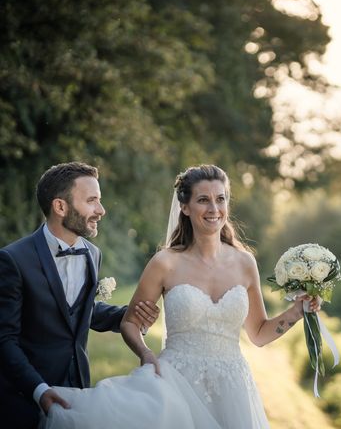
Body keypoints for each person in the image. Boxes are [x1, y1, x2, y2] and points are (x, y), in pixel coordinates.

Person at [42, 164, 320, 429]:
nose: (214, 209)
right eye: (203, 200)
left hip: (233, 387)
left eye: (220, 199)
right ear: (185, 207)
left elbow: (259, 334)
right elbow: (129, 323)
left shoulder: (245, 262)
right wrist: (145, 353)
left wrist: (296, 312)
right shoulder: (165, 263)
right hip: (175, 382)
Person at [0, 161, 160, 429]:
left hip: (79, 396)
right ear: (60, 207)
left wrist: (127, 316)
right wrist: (38, 390)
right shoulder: (13, 260)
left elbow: (77, 310)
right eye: (92, 201)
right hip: (24, 401)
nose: (101, 210)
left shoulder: (92, 254)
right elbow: (4, 339)